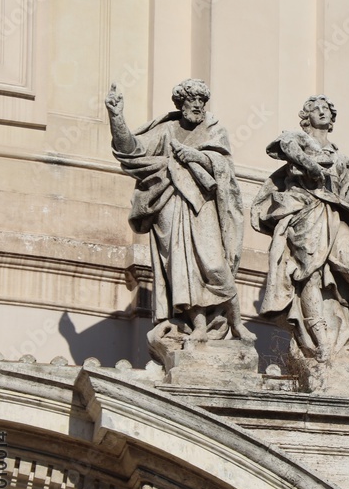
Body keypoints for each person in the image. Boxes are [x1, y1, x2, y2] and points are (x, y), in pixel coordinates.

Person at [251, 95, 349, 362]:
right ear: (306, 118)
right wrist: (311, 165)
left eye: (326, 109)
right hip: (306, 214)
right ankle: (320, 342)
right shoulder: (298, 141)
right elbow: (281, 145)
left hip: (335, 216)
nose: (322, 112)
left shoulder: (342, 160)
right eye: (315, 109)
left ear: (332, 118)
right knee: (310, 276)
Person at [106, 79, 252, 343]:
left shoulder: (214, 130)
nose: (198, 105)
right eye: (192, 99)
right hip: (170, 205)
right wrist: (116, 117)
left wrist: (194, 156)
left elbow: (224, 167)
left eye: (202, 101)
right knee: (182, 269)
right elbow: (132, 151)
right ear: (180, 103)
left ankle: (237, 322)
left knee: (215, 265)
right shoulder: (166, 130)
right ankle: (198, 326)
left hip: (203, 205)